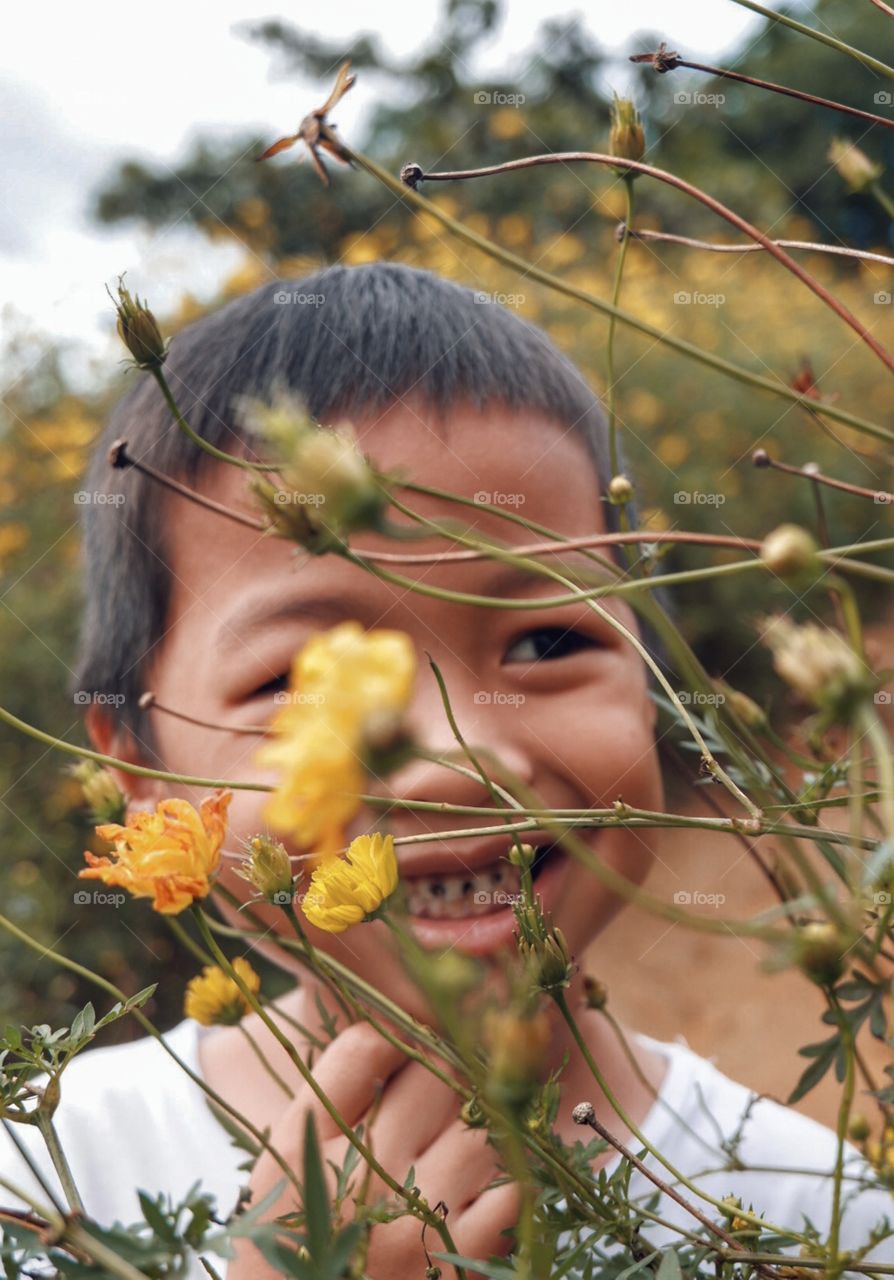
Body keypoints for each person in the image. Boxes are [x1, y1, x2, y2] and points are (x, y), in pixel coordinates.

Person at [0, 263, 890, 1278]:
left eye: (548, 643)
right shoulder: (41, 1189)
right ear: (137, 771)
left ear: (657, 681)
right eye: (301, 675)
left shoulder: (821, 1213)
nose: (456, 757)